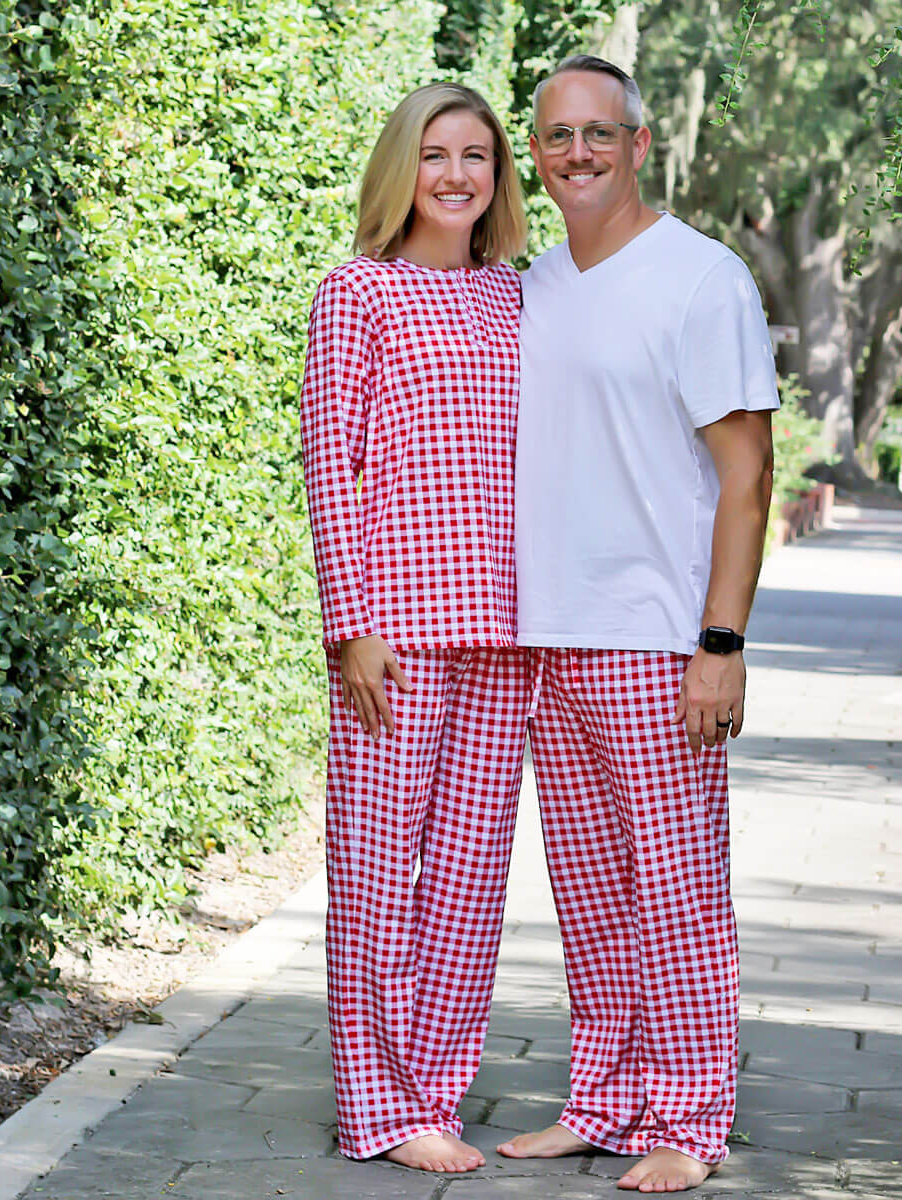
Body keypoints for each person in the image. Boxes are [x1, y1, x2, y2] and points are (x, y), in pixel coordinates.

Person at [496, 56, 779, 1192]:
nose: (576, 156)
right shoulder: (534, 284)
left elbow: (749, 471)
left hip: (659, 641)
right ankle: (605, 1100)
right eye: (557, 137)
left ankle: (689, 1124)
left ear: (640, 144)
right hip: (548, 638)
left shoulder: (703, 280)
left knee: (674, 894)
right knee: (592, 896)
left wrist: (721, 645)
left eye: (597, 135)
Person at [299, 82, 529, 1174]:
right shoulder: (357, 293)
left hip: (509, 633)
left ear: (497, 174)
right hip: (395, 627)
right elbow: (330, 470)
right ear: (402, 169)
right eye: (434, 153)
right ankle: (377, 1109)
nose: (455, 173)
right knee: (382, 877)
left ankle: (432, 1089)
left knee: (471, 885)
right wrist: (350, 624)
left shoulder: (519, 300)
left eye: (475, 154)